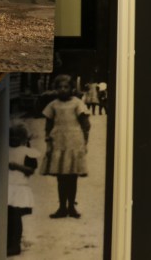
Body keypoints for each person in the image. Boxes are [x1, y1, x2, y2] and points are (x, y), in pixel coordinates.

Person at [0, 122, 40, 256]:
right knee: (2, 216)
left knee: (15, 216)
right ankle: (3, 243)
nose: (13, 140)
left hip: (18, 187)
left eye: (17, 138)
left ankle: (15, 245)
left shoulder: (26, 152)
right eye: (10, 138)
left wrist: (17, 166)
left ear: (23, 139)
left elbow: (31, 170)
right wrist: (0, 164)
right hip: (1, 185)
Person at [41, 74, 90, 219]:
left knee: (72, 176)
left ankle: (71, 207)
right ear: (55, 89)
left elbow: (86, 124)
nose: (63, 90)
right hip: (58, 142)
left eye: (66, 87)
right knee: (61, 177)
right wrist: (48, 141)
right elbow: (48, 125)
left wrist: (84, 141)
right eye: (60, 87)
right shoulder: (53, 105)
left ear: (72, 88)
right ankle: (62, 207)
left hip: (74, 142)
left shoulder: (77, 103)